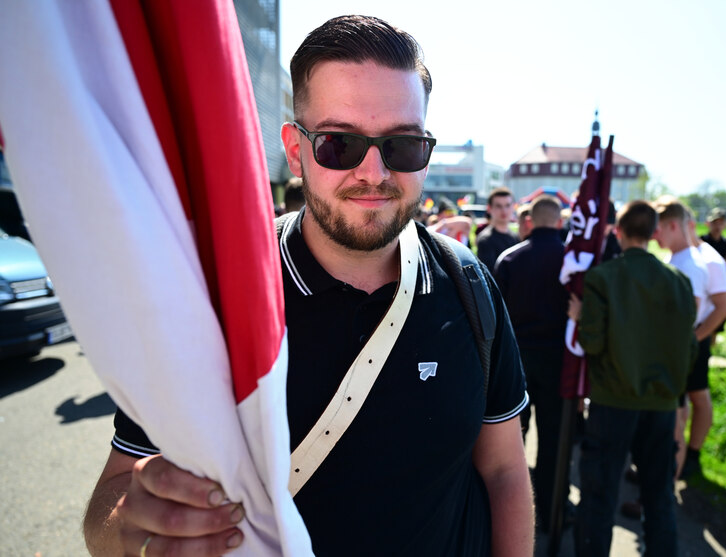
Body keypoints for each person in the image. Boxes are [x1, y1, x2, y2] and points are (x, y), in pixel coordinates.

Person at [82, 15, 533, 557]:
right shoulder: (210, 298)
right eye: (340, 144)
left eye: (403, 145)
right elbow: (110, 506)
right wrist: (130, 521)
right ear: (295, 150)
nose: (374, 172)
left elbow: (505, 470)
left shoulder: (469, 286)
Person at [569, 200, 697, 557]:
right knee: (659, 496)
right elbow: (690, 348)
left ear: (618, 231)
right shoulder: (679, 281)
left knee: (598, 495)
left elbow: (592, 343)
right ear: (654, 234)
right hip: (662, 404)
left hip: (613, 403)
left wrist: (580, 317)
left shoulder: (603, 277)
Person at [494, 194, 567, 530]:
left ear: (529, 221)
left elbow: (497, 315)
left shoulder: (510, 258)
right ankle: (552, 509)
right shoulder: (572, 261)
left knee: (512, 442)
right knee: (553, 438)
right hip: (558, 361)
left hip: (517, 359)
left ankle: (515, 515)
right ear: (560, 221)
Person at [653, 196, 709, 479]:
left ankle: (664, 487)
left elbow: (690, 316)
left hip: (672, 358)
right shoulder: (677, 259)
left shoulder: (690, 265)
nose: (655, 235)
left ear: (673, 225)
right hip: (667, 355)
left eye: (658, 229)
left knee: (673, 425)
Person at [679, 211, 726, 478]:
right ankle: (678, 455)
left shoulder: (710, 259)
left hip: (695, 340)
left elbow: (722, 307)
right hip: (683, 341)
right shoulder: (685, 254)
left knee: (698, 395)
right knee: (682, 398)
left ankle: (694, 455)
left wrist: (695, 339)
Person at [476, 187, 518, 274]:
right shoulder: (485, 240)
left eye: (507, 205)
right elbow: (489, 275)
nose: (504, 211)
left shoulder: (516, 237)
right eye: (498, 206)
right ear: (489, 208)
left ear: (513, 207)